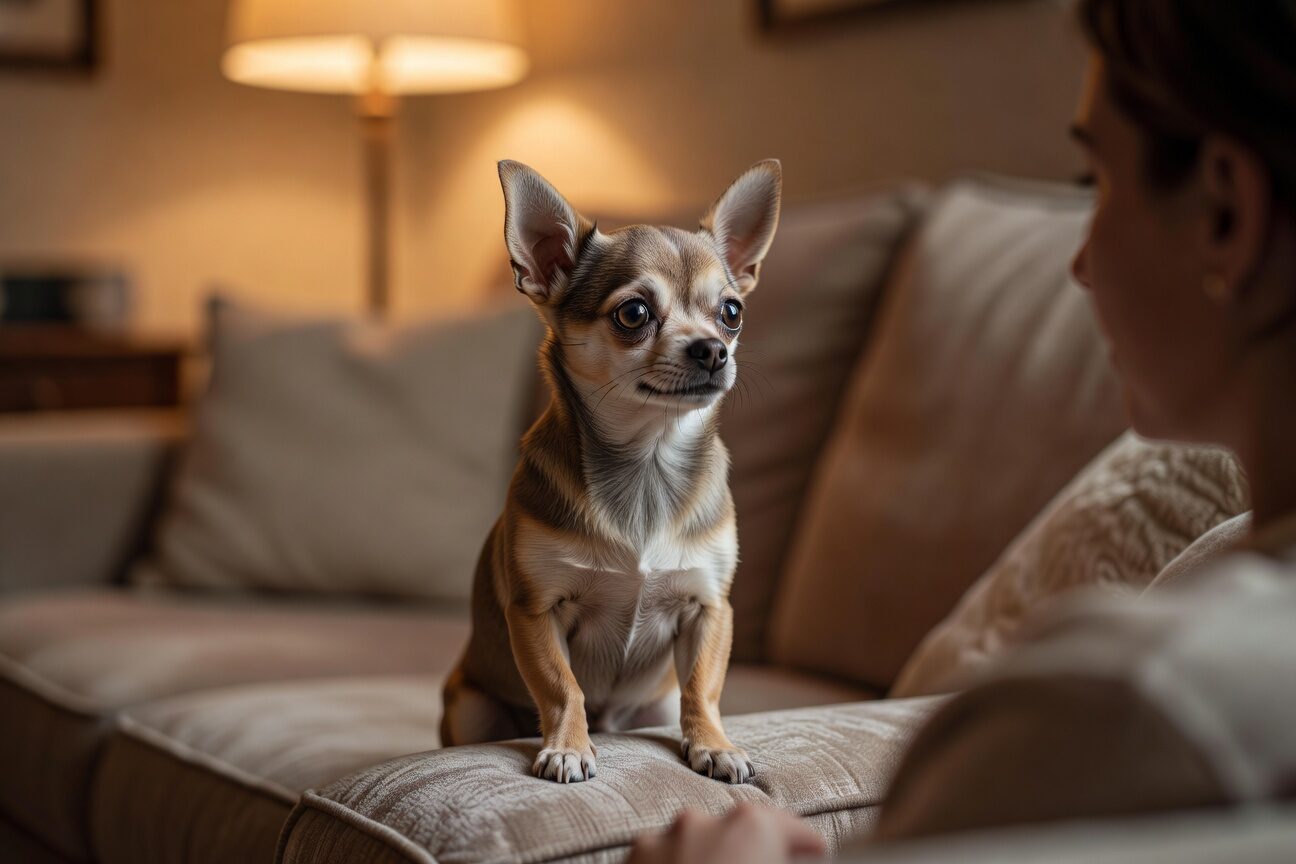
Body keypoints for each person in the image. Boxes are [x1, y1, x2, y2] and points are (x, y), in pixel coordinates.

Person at [629, 1, 1296, 860]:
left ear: (1225, 217)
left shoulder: (1124, 703)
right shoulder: (1219, 571)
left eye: (1097, 184)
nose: (1079, 263)